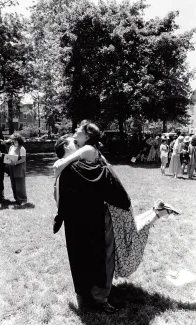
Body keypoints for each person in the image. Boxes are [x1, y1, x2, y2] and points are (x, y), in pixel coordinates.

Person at [53, 121, 179, 313]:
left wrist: (60, 164)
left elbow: (70, 171)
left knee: (119, 246)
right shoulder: (77, 166)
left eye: (77, 134)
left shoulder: (85, 154)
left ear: (87, 136)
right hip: (112, 208)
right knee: (122, 242)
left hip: (113, 208)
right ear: (64, 147)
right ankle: (157, 212)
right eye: (72, 141)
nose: (75, 138)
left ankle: (157, 213)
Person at [7, 133, 27, 204]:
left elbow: (23, 159)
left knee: (20, 184)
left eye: (16, 140)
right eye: (13, 140)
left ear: (19, 140)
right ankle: (16, 198)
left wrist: (16, 162)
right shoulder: (11, 147)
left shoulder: (22, 148)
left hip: (19, 168)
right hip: (12, 167)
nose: (14, 141)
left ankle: (23, 200)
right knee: (13, 183)